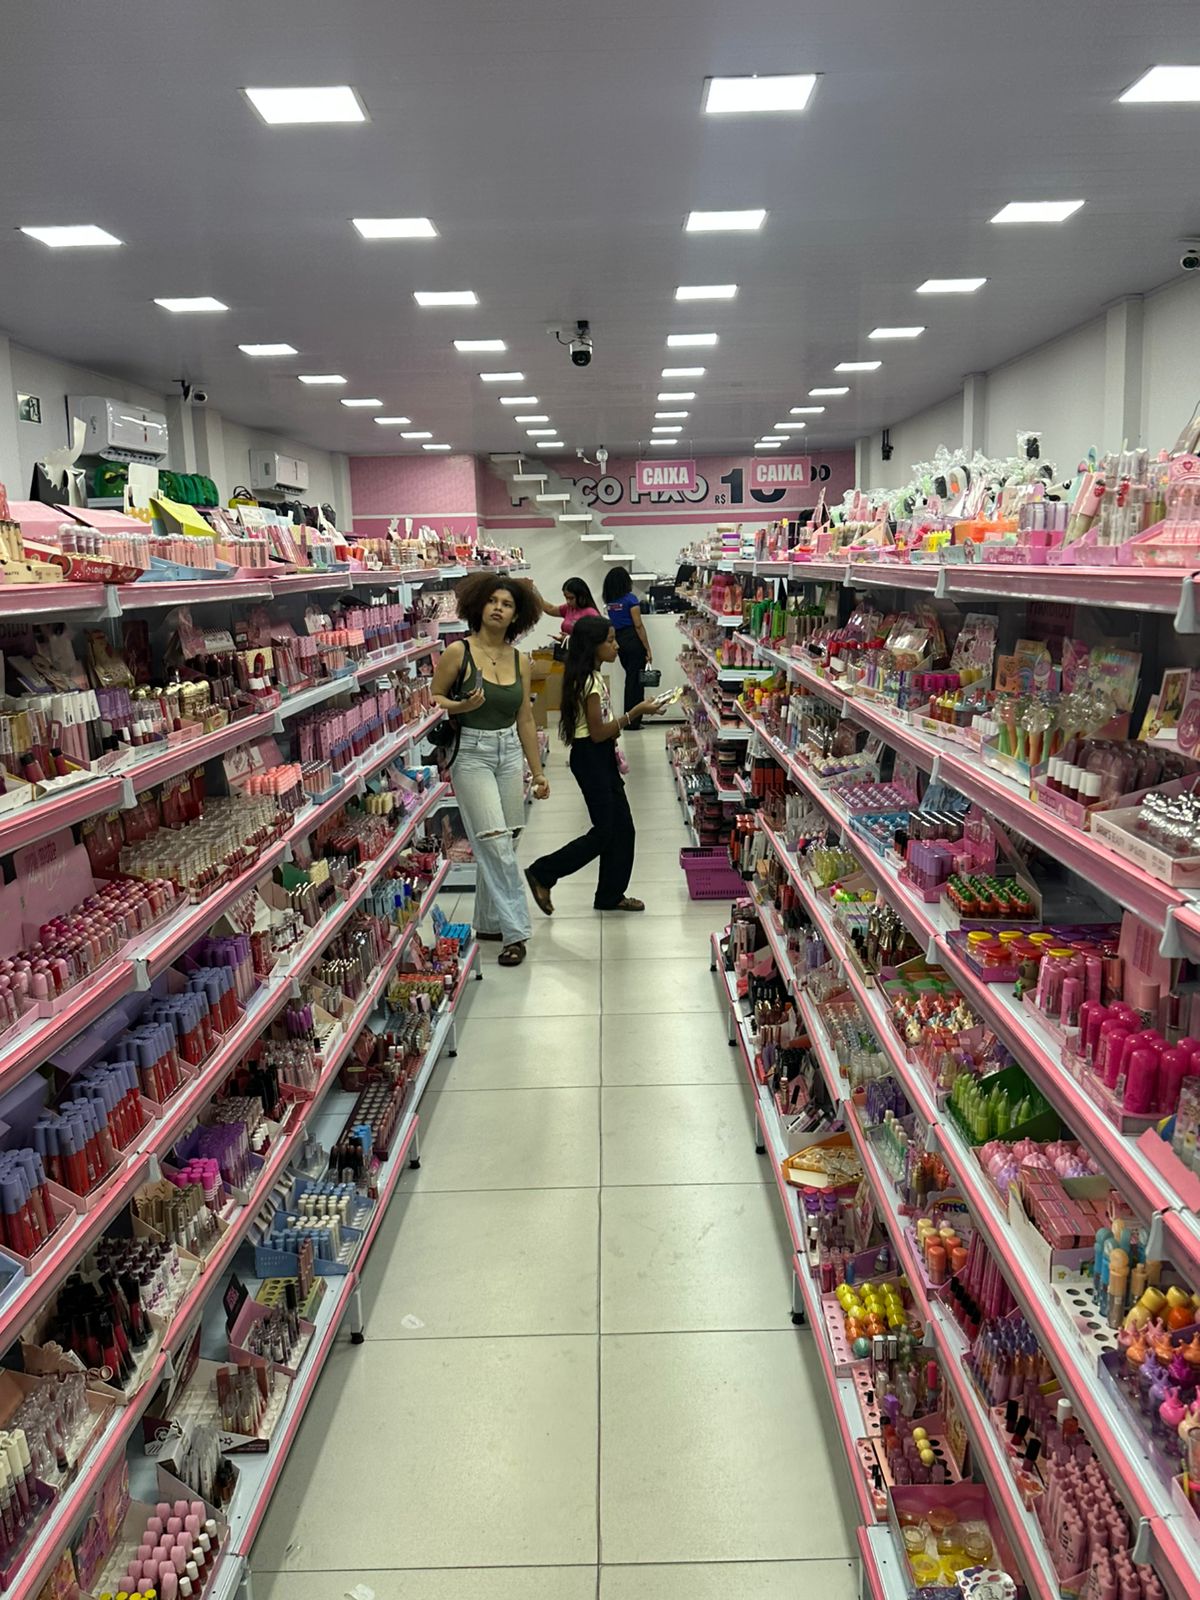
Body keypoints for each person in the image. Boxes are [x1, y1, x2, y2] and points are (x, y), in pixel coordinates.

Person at [430, 573, 549, 967]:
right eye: (493, 601)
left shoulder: (520, 660)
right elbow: (433, 699)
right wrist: (460, 707)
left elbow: (525, 718)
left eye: (507, 604)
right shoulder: (458, 652)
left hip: (509, 752)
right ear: (479, 606)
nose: (498, 608)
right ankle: (517, 932)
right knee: (494, 841)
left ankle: (487, 922)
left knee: (505, 840)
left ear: (517, 616)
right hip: (472, 754)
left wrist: (538, 772)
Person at [524, 617, 663, 916]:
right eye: (610, 640)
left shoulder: (592, 676)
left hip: (599, 756)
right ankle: (543, 872)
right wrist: (636, 712)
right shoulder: (589, 681)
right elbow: (598, 732)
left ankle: (610, 895)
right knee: (605, 832)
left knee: (623, 829)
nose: (616, 646)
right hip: (591, 757)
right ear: (593, 646)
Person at [601, 565, 653, 728]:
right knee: (636, 682)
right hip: (632, 639)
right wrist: (647, 648)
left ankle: (630, 718)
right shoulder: (631, 600)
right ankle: (633, 720)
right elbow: (638, 625)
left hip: (619, 640)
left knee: (630, 679)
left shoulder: (610, 603)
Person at [532, 576, 601, 641]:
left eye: (571, 598)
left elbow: (597, 637)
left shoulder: (591, 613)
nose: (568, 601)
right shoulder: (570, 608)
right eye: (566, 598)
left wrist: (570, 640)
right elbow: (550, 609)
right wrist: (534, 592)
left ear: (581, 596)